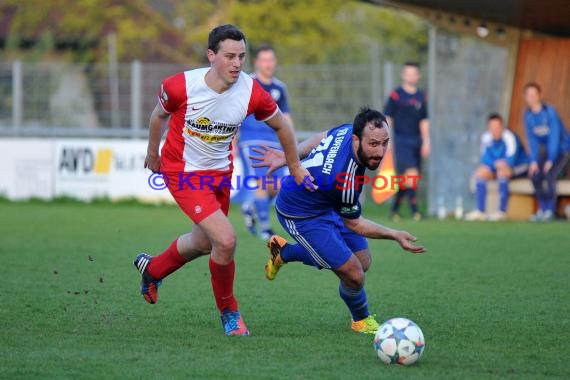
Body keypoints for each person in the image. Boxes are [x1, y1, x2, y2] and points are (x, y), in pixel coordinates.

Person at [134, 25, 311, 336]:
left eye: (242, 56)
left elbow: (283, 126)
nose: (236, 63)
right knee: (226, 240)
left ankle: (153, 270)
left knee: (204, 242)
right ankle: (229, 312)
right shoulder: (181, 86)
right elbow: (157, 116)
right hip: (182, 171)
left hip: (220, 173)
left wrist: (294, 165)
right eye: (229, 56)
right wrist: (153, 153)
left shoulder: (251, 91)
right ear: (211, 55)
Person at [250, 107, 426, 334]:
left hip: (328, 201)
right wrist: (394, 234)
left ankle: (283, 252)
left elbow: (318, 138)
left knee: (363, 262)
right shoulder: (343, 179)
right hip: (301, 214)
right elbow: (355, 223)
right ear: (357, 139)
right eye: (373, 144)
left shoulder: (345, 131)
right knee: (353, 273)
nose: (380, 152)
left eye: (384, 143)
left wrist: (288, 157)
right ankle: (361, 320)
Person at [238, 45, 293, 240]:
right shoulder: (247, 83)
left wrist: (291, 143)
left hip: (275, 143)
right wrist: (232, 139)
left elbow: (286, 118)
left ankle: (251, 206)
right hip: (250, 139)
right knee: (261, 180)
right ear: (257, 62)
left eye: (271, 60)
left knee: (277, 185)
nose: (268, 64)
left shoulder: (280, 88)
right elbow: (236, 112)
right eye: (264, 60)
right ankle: (265, 227)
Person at [384, 62, 430, 221]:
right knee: (412, 174)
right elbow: (388, 117)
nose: (411, 76)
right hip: (401, 140)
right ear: (403, 75)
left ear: (418, 76)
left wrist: (426, 141)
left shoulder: (421, 96)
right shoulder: (396, 94)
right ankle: (415, 211)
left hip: (416, 140)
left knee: (407, 178)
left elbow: (424, 120)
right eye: (408, 73)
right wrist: (387, 139)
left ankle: (394, 210)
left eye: (414, 73)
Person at [465, 113, 529, 221]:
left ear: (502, 127)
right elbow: (485, 159)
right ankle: (481, 211)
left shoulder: (510, 137)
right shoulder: (486, 137)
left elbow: (511, 160)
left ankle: (501, 211)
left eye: (497, 127)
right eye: (492, 127)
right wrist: (495, 164)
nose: (495, 130)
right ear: (488, 128)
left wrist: (500, 164)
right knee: (480, 173)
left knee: (502, 172)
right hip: (498, 166)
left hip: (520, 167)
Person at [523, 83, 570, 222]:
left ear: (540, 95)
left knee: (550, 175)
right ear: (525, 97)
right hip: (547, 152)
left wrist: (550, 160)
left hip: (563, 151)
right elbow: (532, 141)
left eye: (534, 94)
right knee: (535, 174)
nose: (531, 97)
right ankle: (542, 209)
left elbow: (554, 138)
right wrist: (533, 161)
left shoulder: (550, 112)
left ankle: (550, 210)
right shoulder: (528, 116)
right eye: (528, 95)